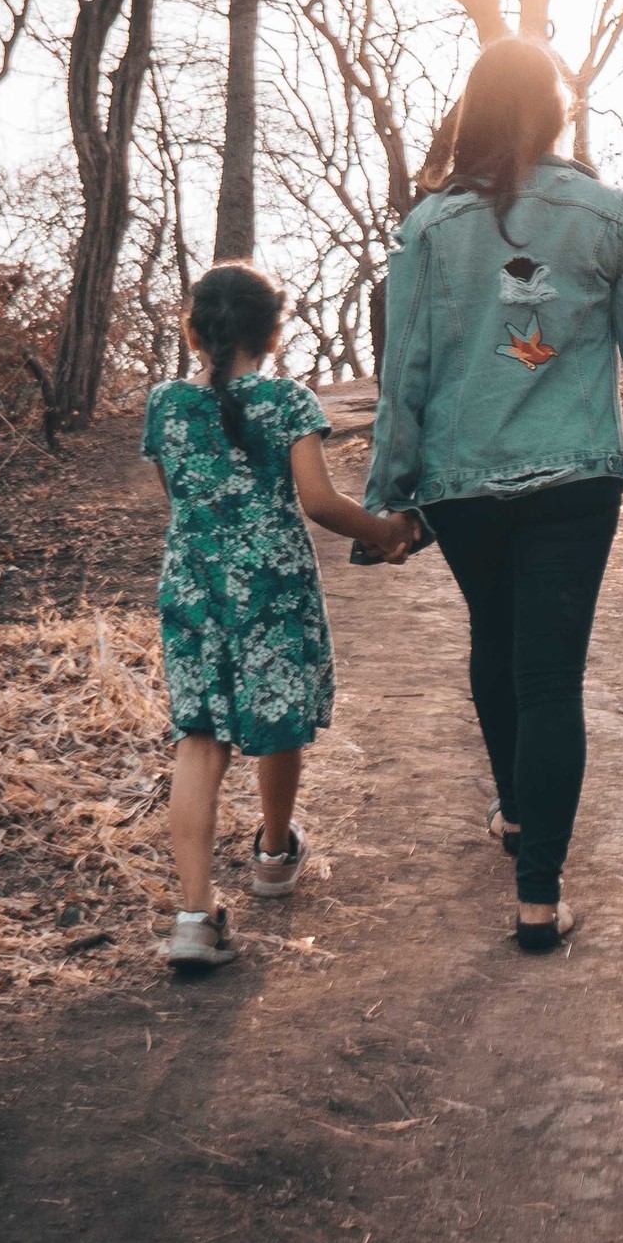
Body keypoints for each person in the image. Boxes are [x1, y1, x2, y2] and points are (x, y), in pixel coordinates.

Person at [366, 37, 623, 954]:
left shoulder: (429, 227)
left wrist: (390, 494)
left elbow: (404, 368)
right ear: (557, 112)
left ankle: (520, 814)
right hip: (573, 480)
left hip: (461, 480)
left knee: (496, 638)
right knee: (550, 672)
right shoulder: (610, 217)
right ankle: (537, 895)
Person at [146, 263, 416, 973]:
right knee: (279, 717)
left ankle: (194, 916)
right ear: (272, 330)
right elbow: (320, 502)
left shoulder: (165, 404)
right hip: (270, 586)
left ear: (195, 328)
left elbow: (180, 492)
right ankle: (272, 853)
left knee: (199, 736)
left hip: (193, 584)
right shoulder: (288, 400)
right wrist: (386, 532)